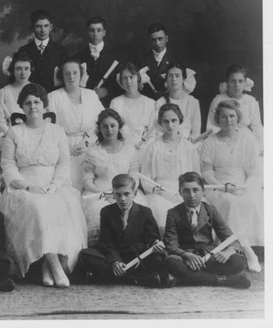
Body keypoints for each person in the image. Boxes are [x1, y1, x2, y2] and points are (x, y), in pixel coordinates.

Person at [0, 83, 87, 287]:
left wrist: (55, 185)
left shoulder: (57, 131)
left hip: (53, 185)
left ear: (45, 105)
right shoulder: (14, 132)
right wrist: (27, 186)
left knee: (63, 206)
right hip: (23, 187)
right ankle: (54, 265)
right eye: (28, 102)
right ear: (22, 106)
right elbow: (7, 165)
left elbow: (64, 161)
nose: (33, 106)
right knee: (38, 208)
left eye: (37, 102)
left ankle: (47, 268)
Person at [201, 100, 263, 272]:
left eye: (232, 116)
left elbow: (253, 170)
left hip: (242, 184)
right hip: (217, 187)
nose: (228, 120)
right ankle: (249, 253)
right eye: (223, 117)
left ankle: (243, 248)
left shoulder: (248, 138)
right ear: (217, 119)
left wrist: (243, 187)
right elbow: (207, 173)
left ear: (238, 117)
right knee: (230, 203)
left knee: (253, 201)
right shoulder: (210, 142)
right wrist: (222, 186)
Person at [79, 174, 172, 287]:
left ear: (135, 193)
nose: (122, 199)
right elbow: (105, 242)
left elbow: (152, 238)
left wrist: (155, 243)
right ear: (113, 194)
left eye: (127, 194)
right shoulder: (106, 212)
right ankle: (135, 278)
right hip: (117, 256)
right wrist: (115, 261)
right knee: (85, 255)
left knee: (160, 257)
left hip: (137, 258)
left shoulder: (145, 212)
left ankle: (117, 277)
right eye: (118, 195)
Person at [164, 172, 251, 289]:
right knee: (172, 263)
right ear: (180, 192)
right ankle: (226, 280)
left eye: (196, 190)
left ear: (203, 190)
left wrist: (228, 251)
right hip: (187, 259)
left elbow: (230, 237)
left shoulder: (210, 210)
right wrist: (186, 255)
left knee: (239, 261)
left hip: (210, 257)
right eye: (186, 191)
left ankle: (190, 279)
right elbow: (170, 244)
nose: (191, 195)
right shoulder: (173, 213)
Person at [81, 109, 147, 246]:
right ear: (99, 129)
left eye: (113, 125)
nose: (109, 130)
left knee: (136, 212)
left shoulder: (129, 150)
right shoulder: (93, 152)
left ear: (119, 127)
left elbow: (135, 176)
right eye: (104, 126)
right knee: (96, 212)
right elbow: (87, 180)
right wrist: (103, 193)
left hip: (126, 191)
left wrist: (122, 193)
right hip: (99, 193)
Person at [140, 103, 200, 233]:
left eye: (174, 120)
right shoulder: (153, 147)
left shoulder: (189, 147)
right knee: (161, 214)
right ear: (160, 123)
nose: (170, 125)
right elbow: (145, 180)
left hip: (185, 192)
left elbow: (196, 176)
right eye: (166, 121)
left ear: (180, 121)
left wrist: (186, 192)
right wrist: (161, 192)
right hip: (159, 193)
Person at [48, 57, 104, 192]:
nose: (71, 77)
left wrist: (88, 142)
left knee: (92, 182)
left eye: (75, 73)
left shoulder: (91, 95)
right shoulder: (53, 97)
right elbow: (49, 128)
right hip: (64, 148)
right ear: (62, 76)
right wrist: (66, 147)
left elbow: (102, 122)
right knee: (69, 186)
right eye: (67, 73)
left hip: (91, 145)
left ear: (81, 74)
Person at [206, 64, 263, 151]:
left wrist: (260, 148)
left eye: (240, 81)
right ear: (227, 83)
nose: (237, 85)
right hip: (222, 143)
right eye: (233, 81)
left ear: (245, 82)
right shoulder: (218, 100)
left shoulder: (251, 102)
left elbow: (257, 128)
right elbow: (211, 127)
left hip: (245, 144)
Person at [75, 17, 123, 106]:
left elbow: (122, 83)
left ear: (104, 32)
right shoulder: (78, 57)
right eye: (92, 30)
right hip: (85, 103)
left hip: (109, 104)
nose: (95, 34)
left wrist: (107, 91)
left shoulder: (116, 56)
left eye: (99, 30)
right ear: (87, 32)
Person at [110, 62, 156, 150]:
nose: (128, 81)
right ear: (121, 82)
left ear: (138, 79)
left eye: (131, 77)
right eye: (125, 78)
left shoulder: (149, 103)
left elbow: (152, 132)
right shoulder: (116, 102)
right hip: (121, 149)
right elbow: (112, 130)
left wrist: (142, 147)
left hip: (144, 149)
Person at [17, 9, 65, 92]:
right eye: (38, 26)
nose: (43, 30)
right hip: (30, 95)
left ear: (51, 27)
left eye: (46, 26)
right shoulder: (23, 51)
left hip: (53, 95)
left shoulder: (60, 51)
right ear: (32, 28)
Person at [154, 63, 201, 141]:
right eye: (170, 76)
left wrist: (188, 142)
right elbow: (158, 130)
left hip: (187, 146)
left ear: (183, 79)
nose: (174, 79)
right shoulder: (160, 102)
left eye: (177, 75)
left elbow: (196, 133)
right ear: (166, 80)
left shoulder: (192, 102)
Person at [135, 22, 175, 100]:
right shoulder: (140, 60)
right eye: (153, 40)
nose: (157, 43)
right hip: (146, 102)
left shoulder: (175, 59)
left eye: (160, 39)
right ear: (149, 40)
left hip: (169, 101)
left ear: (166, 38)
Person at [0, 50, 33, 134]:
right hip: (11, 136)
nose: (23, 73)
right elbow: (0, 122)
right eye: (19, 69)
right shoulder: (4, 92)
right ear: (13, 71)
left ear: (31, 70)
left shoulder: (37, 90)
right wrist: (12, 134)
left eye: (26, 68)